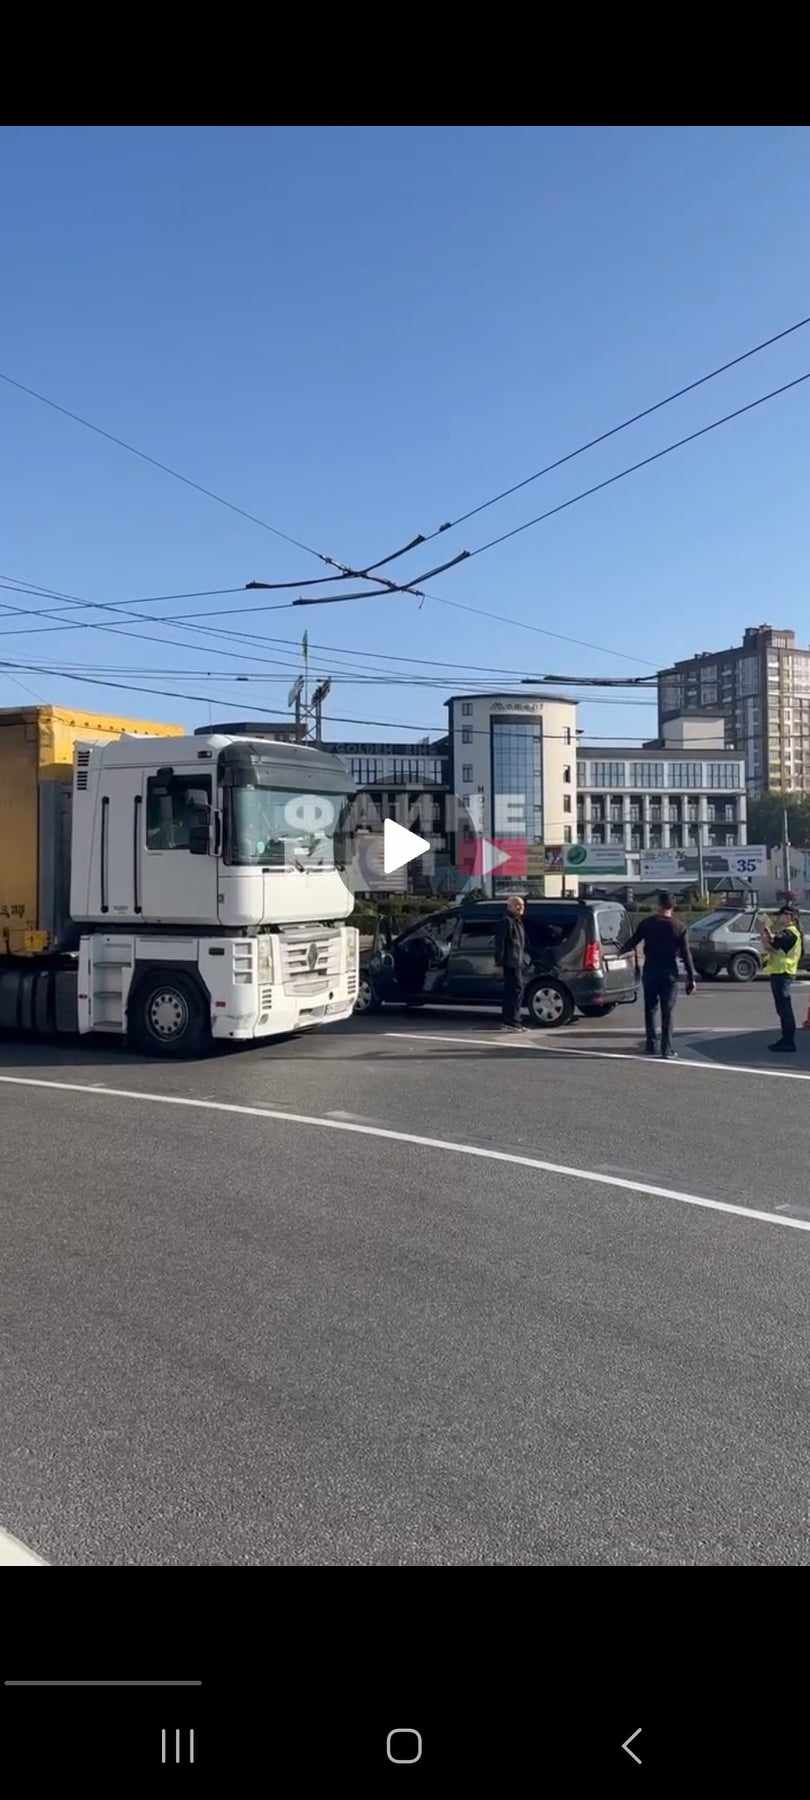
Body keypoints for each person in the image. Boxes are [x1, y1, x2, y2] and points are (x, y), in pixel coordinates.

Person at [625, 891, 696, 1059]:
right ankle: (667, 1049)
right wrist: (691, 978)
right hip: (669, 973)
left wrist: (618, 952)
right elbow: (686, 955)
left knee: (650, 1009)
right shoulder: (679, 927)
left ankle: (651, 1044)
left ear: (658, 905)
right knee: (668, 1011)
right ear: (673, 906)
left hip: (650, 970)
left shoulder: (647, 923)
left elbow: (632, 942)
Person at [759, 904, 804, 1053]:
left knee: (785, 1009)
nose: (780, 917)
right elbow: (772, 946)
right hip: (780, 973)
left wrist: (766, 932)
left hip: (783, 973)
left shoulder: (790, 933)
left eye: (782, 915)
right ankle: (785, 1039)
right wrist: (766, 934)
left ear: (791, 917)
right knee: (782, 1009)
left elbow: (773, 943)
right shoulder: (788, 933)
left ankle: (788, 1041)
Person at [498, 895, 528, 1031]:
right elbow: (501, 943)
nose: (521, 907)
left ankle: (512, 1021)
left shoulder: (518, 921)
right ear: (510, 906)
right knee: (515, 990)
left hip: (518, 961)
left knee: (515, 990)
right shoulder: (506, 921)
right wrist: (500, 961)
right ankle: (512, 1022)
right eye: (517, 905)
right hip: (510, 962)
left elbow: (521, 944)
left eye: (522, 905)